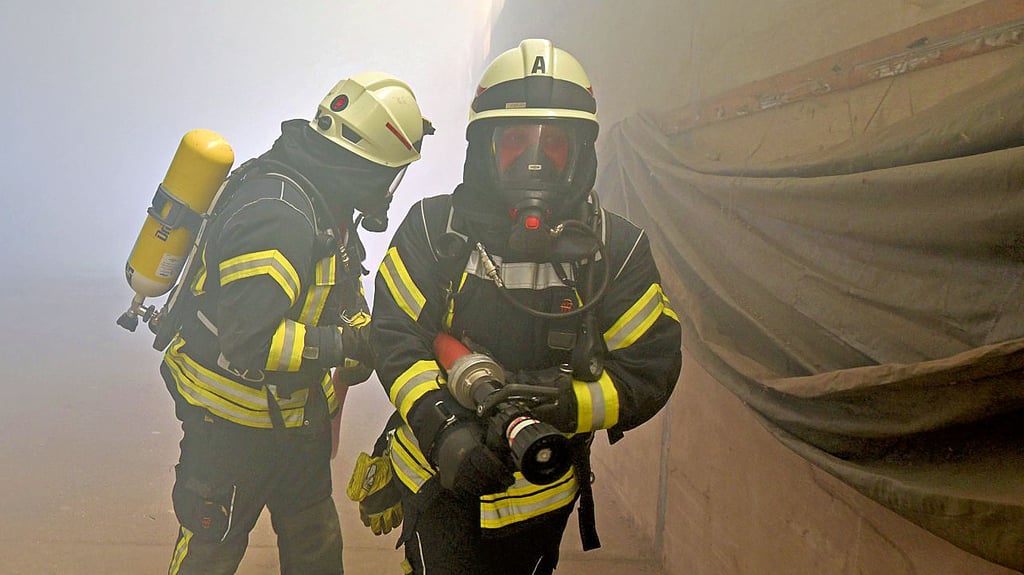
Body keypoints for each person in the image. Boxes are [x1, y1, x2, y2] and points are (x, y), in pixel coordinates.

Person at [370, 39, 682, 575]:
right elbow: (395, 336)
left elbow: (650, 368)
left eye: (552, 143)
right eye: (514, 140)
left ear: (579, 152)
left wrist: (563, 407)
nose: (533, 160)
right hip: (438, 481)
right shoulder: (432, 229)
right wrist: (445, 429)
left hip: (540, 496)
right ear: (485, 147)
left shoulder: (615, 250)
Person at [159, 72, 431, 575]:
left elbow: (336, 293)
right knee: (208, 555)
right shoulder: (278, 215)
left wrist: (353, 352)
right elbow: (249, 341)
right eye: (388, 174)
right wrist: (345, 344)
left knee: (317, 552)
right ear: (363, 164)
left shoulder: (324, 202)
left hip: (293, 421)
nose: (388, 189)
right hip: (229, 429)